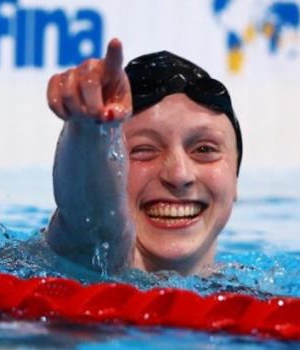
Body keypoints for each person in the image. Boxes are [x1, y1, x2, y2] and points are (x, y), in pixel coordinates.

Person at [45, 39, 243, 276]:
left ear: (235, 176)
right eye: (143, 149)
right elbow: (93, 221)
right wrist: (88, 127)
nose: (179, 175)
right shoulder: (96, 261)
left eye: (204, 150)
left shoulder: (260, 288)